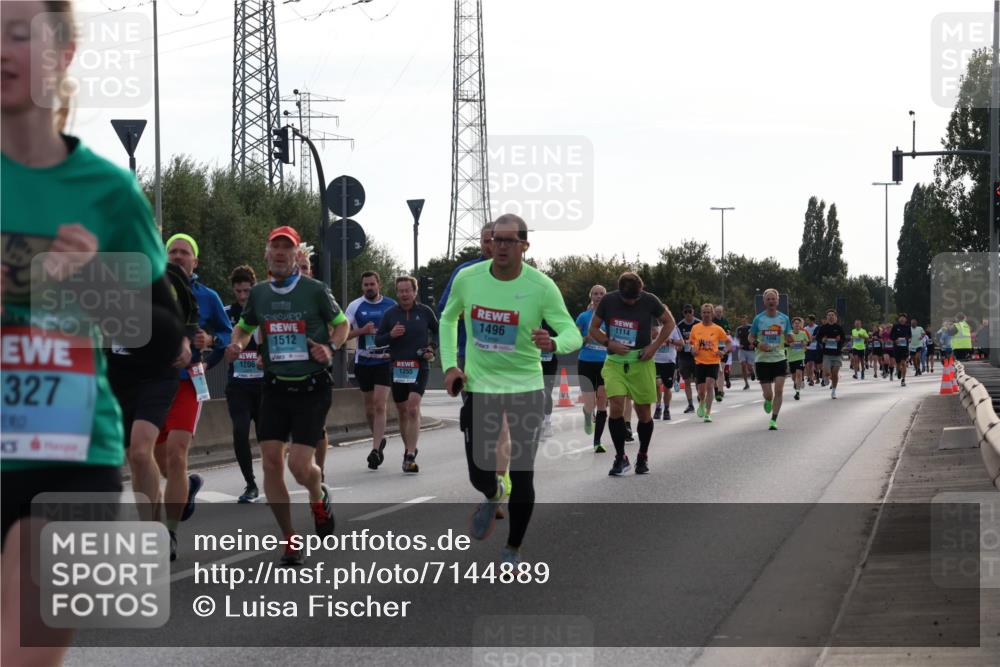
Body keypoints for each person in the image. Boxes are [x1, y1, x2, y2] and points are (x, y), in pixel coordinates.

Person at [1, 2, 184, 660]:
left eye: (19, 33)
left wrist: (94, 283)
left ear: (64, 53)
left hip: (69, 457)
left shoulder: (108, 192)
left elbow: (166, 341)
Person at [440, 214, 582, 564]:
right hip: (480, 386)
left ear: (524, 246)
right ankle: (494, 492)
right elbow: (448, 317)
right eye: (494, 239)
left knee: (522, 471)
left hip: (525, 388)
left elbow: (572, 332)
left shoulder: (541, 286)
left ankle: (513, 547)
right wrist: (450, 366)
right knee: (479, 474)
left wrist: (554, 343)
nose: (499, 246)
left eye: (508, 240)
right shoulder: (468, 278)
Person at [225, 225, 349, 566]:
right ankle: (290, 540)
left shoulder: (315, 290)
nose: (280, 253)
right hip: (275, 387)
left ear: (296, 255)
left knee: (299, 466)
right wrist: (237, 344)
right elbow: (244, 328)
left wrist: (330, 346)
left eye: (287, 248)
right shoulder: (260, 294)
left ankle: (317, 493)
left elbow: (342, 325)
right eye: (275, 247)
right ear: (267, 254)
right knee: (270, 463)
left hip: (311, 388)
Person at [159, 233, 232, 559]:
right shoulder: (152, 290)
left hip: (189, 383)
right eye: (172, 251)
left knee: (176, 454)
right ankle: (186, 487)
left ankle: (169, 534)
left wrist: (210, 341)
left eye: (183, 252)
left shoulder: (207, 296)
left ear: (195, 261)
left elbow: (228, 333)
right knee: (160, 463)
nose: (177, 256)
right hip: (153, 383)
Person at [588, 272, 675, 476]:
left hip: (641, 362)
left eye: (635, 298)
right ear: (619, 291)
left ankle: (642, 455)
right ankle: (621, 457)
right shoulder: (608, 300)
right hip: (615, 363)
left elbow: (669, 322)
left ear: (641, 290)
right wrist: (609, 343)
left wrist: (654, 347)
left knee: (644, 413)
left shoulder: (650, 300)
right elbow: (593, 328)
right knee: (616, 406)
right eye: (627, 298)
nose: (631, 302)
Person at [374, 276, 438, 473]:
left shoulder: (425, 312)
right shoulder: (390, 314)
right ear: (397, 293)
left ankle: (410, 454)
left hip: (420, 365)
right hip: (398, 367)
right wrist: (391, 335)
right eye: (400, 291)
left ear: (414, 292)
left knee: (412, 408)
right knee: (402, 411)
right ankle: (408, 449)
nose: (404, 294)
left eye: (407, 290)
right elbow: (378, 340)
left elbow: (438, 332)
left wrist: (431, 348)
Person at [344, 272, 397, 470]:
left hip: (384, 361)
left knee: (379, 405)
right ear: (362, 287)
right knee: (369, 409)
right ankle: (379, 439)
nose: (369, 288)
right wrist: (362, 331)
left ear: (379, 285)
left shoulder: (391, 305)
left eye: (372, 284)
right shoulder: (355, 306)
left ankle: (375, 450)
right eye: (366, 285)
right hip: (364, 362)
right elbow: (343, 334)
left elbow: (401, 331)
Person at [224, 265, 263, 502]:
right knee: (240, 432)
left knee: (268, 437)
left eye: (246, 291)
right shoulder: (226, 313)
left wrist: (265, 356)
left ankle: (274, 477)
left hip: (264, 385)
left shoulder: (264, 311)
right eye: (238, 291)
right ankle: (250, 484)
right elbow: (217, 338)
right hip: (238, 385)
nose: (242, 296)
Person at [294, 245, 332, 480]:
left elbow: (339, 325)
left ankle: (320, 471)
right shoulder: (275, 294)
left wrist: (328, 346)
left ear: (311, 271)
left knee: (317, 427)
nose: (302, 271)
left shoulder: (320, 293)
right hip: (285, 371)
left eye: (305, 267)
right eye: (297, 267)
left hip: (316, 370)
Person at [749, 289, 793, 430]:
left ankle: (773, 419)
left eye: (773, 299)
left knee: (779, 391)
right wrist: (758, 344)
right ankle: (768, 400)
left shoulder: (784, 318)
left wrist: (790, 337)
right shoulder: (758, 319)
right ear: (764, 302)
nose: (771, 301)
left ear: (778, 301)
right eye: (768, 299)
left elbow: (789, 335)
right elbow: (750, 337)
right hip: (762, 360)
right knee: (769, 394)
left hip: (779, 358)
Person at [575, 285, 609, 452]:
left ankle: (597, 442)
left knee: (602, 401)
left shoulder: (610, 318)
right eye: (595, 293)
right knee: (590, 403)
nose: (598, 296)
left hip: (605, 363)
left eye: (601, 294)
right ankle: (588, 415)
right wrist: (586, 338)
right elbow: (575, 340)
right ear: (591, 296)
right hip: (586, 362)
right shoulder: (583, 317)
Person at [688, 304, 731, 423]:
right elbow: (690, 343)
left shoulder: (717, 329)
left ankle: (708, 413)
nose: (706, 315)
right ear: (701, 314)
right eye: (704, 312)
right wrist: (692, 350)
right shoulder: (695, 328)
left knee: (710, 386)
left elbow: (729, 342)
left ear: (712, 314)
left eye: (708, 312)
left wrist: (723, 351)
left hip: (713, 361)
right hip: (699, 362)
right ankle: (702, 401)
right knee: (701, 391)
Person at [653, 322, 682, 420]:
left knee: (667, 387)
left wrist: (670, 340)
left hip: (669, 361)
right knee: (657, 383)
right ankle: (658, 407)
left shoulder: (673, 327)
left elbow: (681, 343)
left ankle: (666, 409)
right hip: (655, 360)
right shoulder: (653, 327)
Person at [814, 310, 846, 398]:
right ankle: (826, 377)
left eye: (832, 315)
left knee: (835, 373)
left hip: (837, 354)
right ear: (827, 317)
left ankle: (833, 391)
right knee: (827, 373)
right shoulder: (823, 328)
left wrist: (839, 340)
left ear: (835, 318)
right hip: (826, 354)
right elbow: (818, 338)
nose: (831, 317)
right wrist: (822, 340)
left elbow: (843, 339)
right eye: (829, 315)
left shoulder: (839, 328)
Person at [675, 305, 700, 413]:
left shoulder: (698, 324)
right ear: (683, 313)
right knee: (687, 381)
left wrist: (695, 346)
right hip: (684, 356)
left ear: (693, 312)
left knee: (698, 380)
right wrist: (679, 346)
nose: (688, 314)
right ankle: (690, 404)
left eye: (690, 311)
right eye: (686, 312)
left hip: (697, 356)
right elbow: (677, 341)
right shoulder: (679, 326)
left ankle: (701, 398)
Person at [787, 317, 810, 401]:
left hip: (800, 357)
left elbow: (807, 343)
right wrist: (789, 344)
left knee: (799, 374)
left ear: (800, 325)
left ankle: (797, 392)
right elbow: (784, 344)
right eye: (795, 323)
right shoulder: (788, 334)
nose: (797, 324)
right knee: (794, 377)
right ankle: (795, 383)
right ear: (792, 325)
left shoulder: (803, 333)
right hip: (791, 357)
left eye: (798, 323)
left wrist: (805, 344)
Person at [888, 314, 913, 387]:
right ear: (899, 319)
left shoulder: (908, 327)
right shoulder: (895, 326)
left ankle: (903, 379)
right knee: (898, 363)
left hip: (904, 348)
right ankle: (898, 370)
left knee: (903, 363)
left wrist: (908, 339)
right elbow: (891, 336)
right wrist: (895, 340)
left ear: (906, 320)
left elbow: (910, 335)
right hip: (897, 348)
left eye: (903, 318)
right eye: (901, 318)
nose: (902, 319)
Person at [714, 304, 731, 398]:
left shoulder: (725, 321)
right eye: (717, 312)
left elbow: (728, 331)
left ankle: (720, 390)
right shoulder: (712, 321)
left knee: (721, 370)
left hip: (723, 348)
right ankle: (716, 388)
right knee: (717, 370)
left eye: (720, 312)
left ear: (722, 312)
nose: (718, 313)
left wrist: (727, 332)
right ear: (714, 312)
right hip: (714, 349)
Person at [735, 314, 756, 390]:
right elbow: (736, 339)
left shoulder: (751, 327)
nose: (743, 321)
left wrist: (753, 344)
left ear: (747, 320)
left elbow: (756, 336)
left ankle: (752, 371)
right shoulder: (738, 329)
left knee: (749, 367)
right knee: (743, 365)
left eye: (744, 320)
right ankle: (746, 383)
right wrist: (738, 345)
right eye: (742, 320)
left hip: (750, 350)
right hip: (742, 350)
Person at [804, 314, 820, 386]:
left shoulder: (817, 327)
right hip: (808, 348)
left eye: (808, 320)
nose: (807, 321)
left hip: (816, 348)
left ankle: (817, 376)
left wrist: (813, 338)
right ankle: (811, 380)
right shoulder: (805, 328)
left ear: (812, 320)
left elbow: (818, 336)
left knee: (816, 365)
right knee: (810, 364)